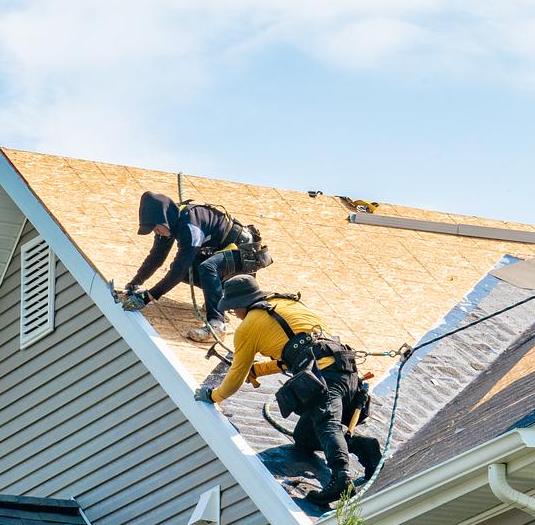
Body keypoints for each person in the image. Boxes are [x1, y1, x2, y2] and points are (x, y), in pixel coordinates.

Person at [194, 275, 381, 506]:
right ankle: (365, 447)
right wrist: (259, 370)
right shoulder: (287, 303)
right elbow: (296, 353)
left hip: (325, 379)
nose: (235, 315)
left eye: (233, 310)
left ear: (240, 305)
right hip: (348, 370)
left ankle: (341, 478)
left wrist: (213, 396)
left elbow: (234, 378)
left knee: (327, 425)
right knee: (305, 438)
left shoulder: (248, 328)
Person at [121, 191, 271, 341]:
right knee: (188, 269)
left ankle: (217, 325)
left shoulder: (190, 225)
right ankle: (218, 299)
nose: (156, 232)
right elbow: (156, 257)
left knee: (207, 267)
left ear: (163, 218)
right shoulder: (167, 225)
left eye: (156, 228)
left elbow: (178, 271)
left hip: (243, 254)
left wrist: (147, 297)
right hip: (222, 254)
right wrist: (135, 283)